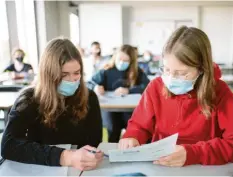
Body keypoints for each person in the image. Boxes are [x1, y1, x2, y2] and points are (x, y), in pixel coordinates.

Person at [119, 26, 233, 166]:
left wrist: (193, 153)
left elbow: (231, 143)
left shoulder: (220, 92)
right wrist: (133, 136)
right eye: (166, 70)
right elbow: (139, 125)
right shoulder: (156, 87)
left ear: (202, 69)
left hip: (203, 168)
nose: (171, 79)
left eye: (181, 73)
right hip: (161, 166)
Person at [1, 38, 103, 170]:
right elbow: (8, 146)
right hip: (39, 169)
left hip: (78, 171)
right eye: (64, 74)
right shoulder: (29, 100)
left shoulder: (89, 97)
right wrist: (65, 157)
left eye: (76, 73)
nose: (72, 80)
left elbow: (95, 142)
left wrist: (91, 156)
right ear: (49, 74)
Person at [92, 44, 150, 142]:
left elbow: (147, 86)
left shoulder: (136, 72)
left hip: (129, 110)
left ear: (131, 61)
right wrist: (96, 87)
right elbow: (91, 82)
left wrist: (129, 90)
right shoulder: (106, 70)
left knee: (133, 129)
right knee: (113, 128)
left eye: (125, 61)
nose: (121, 62)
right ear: (115, 57)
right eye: (119, 59)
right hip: (110, 109)